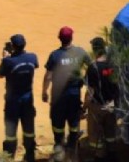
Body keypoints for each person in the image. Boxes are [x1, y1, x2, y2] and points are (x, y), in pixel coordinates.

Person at [42, 26, 92, 162]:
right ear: (71, 38)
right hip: (74, 95)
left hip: (58, 97)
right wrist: (85, 79)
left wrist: (44, 92)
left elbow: (48, 76)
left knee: (58, 125)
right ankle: (72, 152)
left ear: (60, 38)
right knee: (74, 124)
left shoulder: (55, 55)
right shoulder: (80, 52)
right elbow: (92, 67)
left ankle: (59, 150)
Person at [0, 34, 39, 162]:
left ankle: (9, 157)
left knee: (10, 134)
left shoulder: (8, 62)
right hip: (27, 101)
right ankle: (30, 156)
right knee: (29, 132)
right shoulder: (32, 57)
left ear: (13, 46)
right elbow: (35, 65)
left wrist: (4, 58)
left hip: (12, 103)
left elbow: (0, 74)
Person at [83, 37, 119, 162]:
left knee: (95, 137)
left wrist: (84, 108)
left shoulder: (93, 68)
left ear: (94, 50)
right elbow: (117, 86)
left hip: (97, 107)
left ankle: (99, 157)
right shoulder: (112, 65)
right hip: (111, 105)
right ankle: (112, 156)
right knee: (111, 135)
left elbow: (90, 92)